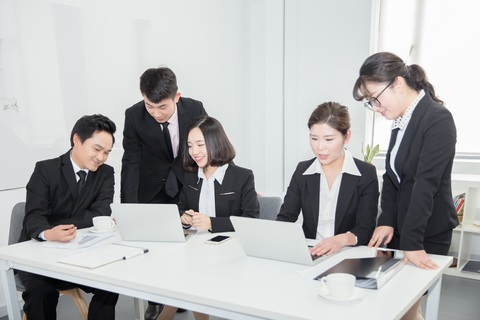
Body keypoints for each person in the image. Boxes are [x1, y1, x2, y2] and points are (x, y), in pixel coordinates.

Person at [352, 52, 458, 320]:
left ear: (398, 83)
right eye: (370, 102)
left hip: (426, 232)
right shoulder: (402, 119)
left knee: (406, 306)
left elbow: (425, 185)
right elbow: (392, 176)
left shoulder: (437, 118)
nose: (375, 107)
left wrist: (411, 242)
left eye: (375, 98)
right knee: (399, 307)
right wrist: (387, 219)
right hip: (402, 228)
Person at [121, 66, 207, 319]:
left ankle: (182, 292)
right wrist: (128, 208)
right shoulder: (134, 115)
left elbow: (211, 144)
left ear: (176, 97)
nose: (156, 113)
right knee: (154, 246)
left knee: (188, 244)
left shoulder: (194, 108)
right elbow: (131, 161)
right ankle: (155, 300)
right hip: (151, 187)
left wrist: (233, 180)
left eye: (163, 107)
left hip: (186, 183)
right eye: (150, 106)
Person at [17, 114, 119, 320]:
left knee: (111, 283)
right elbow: (34, 217)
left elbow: (101, 213)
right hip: (39, 259)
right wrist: (48, 232)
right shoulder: (46, 170)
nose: (101, 157)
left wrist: (57, 225)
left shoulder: (106, 173)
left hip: (81, 256)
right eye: (97, 149)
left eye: (107, 152)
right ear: (77, 140)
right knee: (41, 293)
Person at [158, 116, 259, 320]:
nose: (194, 152)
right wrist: (184, 216)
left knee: (185, 277)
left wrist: (212, 223)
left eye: (200, 144)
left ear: (216, 142)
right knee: (179, 271)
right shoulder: (190, 176)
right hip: (196, 249)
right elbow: (181, 208)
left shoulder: (242, 176)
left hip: (230, 252)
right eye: (190, 145)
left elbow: (251, 221)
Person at [276, 102, 379, 257]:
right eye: (314, 138)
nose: (320, 147)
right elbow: (286, 218)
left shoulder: (365, 174)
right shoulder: (303, 171)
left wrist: (341, 240)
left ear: (347, 136)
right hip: (310, 253)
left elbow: (365, 228)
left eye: (329, 139)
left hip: (347, 255)